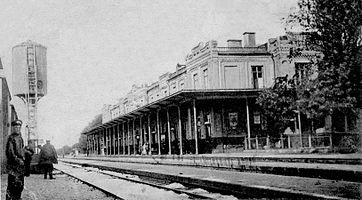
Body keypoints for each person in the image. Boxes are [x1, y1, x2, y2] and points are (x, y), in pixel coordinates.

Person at [5, 119, 25, 200]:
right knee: (12, 186)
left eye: (19, 127)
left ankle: (18, 198)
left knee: (20, 185)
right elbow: (10, 152)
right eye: (16, 127)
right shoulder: (11, 138)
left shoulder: (20, 138)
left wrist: (23, 157)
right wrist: (17, 160)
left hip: (20, 167)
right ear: (13, 128)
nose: (17, 128)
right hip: (13, 166)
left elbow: (21, 149)